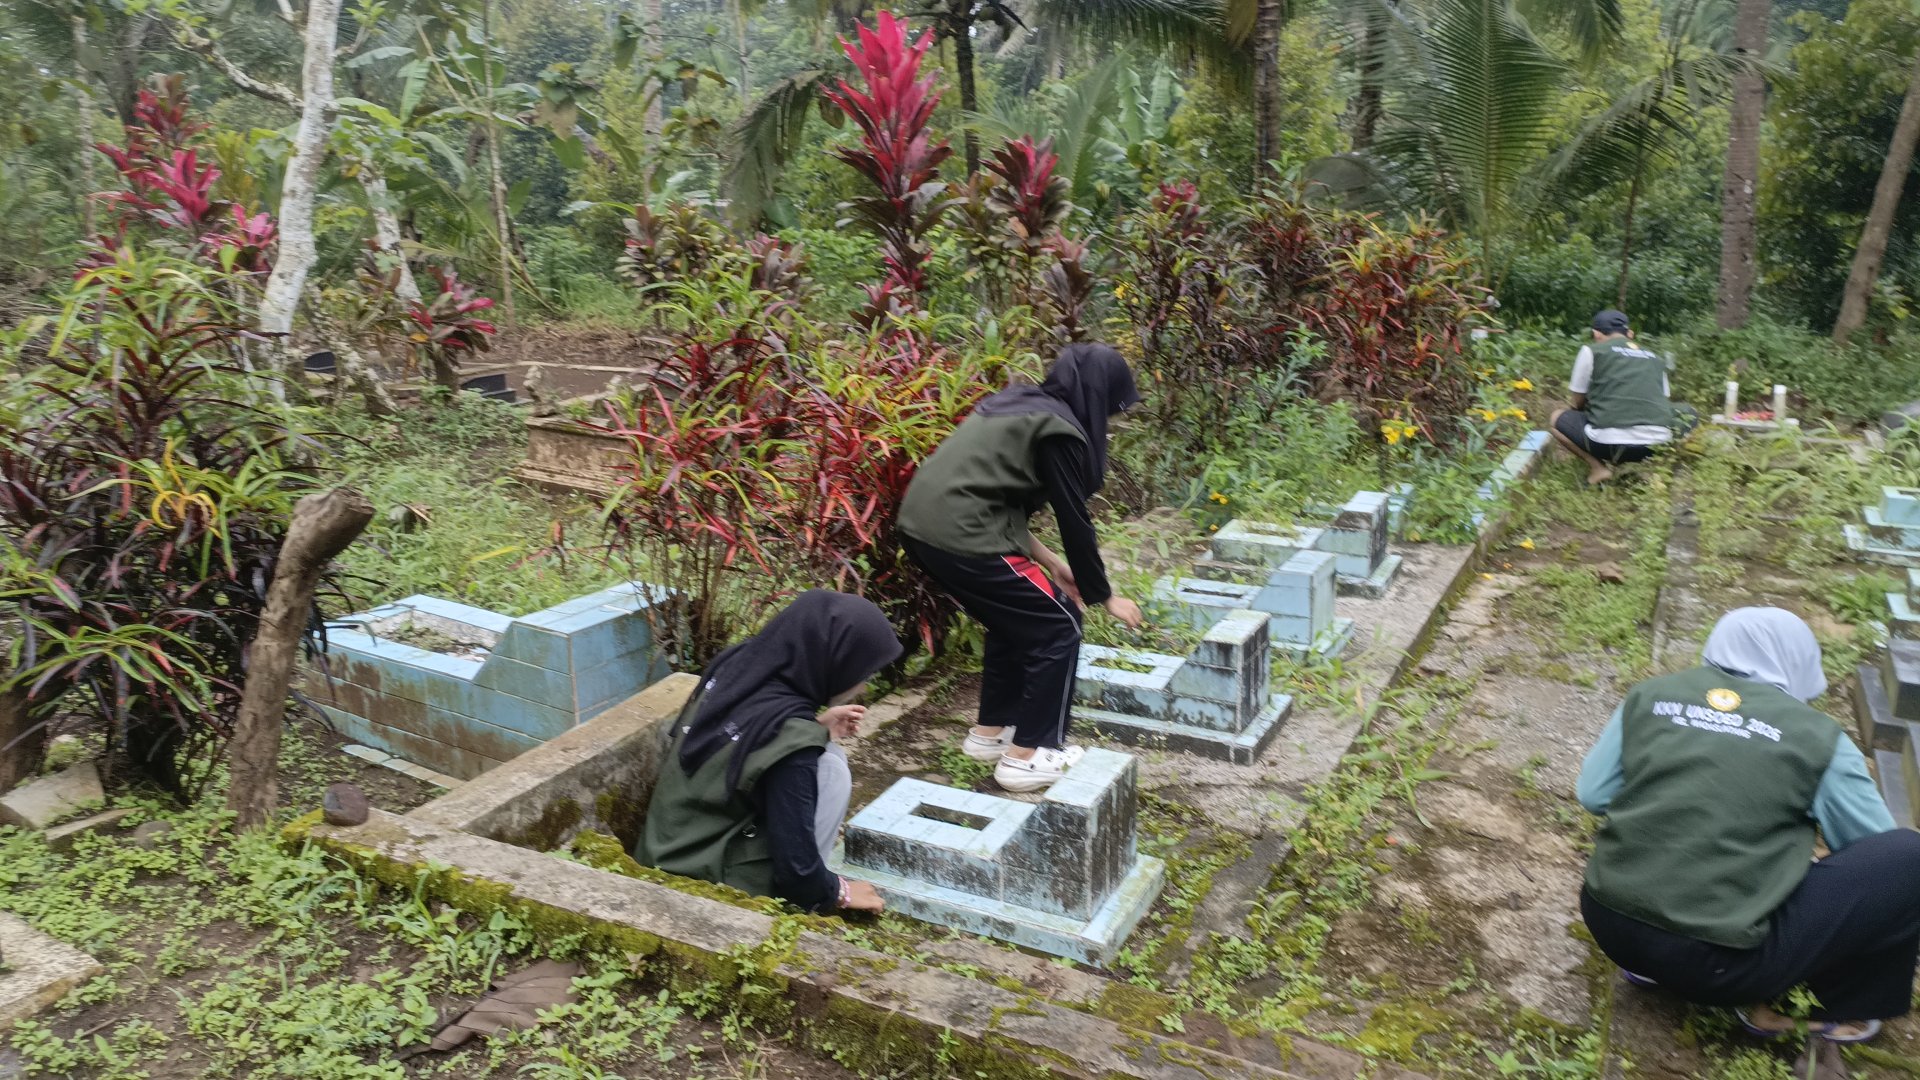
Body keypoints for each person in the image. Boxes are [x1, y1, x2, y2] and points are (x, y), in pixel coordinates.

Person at [1577, 607, 1920, 1044]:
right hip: (1719, 966)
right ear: (1799, 663)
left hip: (1609, 923)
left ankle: (1649, 966)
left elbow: (1593, 794)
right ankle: (1824, 1008)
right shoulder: (1820, 739)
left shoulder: (1650, 696)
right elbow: (1873, 848)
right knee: (1908, 861)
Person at [896, 343, 1146, 793]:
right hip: (961, 533)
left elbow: (995, 500)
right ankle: (1030, 755)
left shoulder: (1017, 404)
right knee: (1060, 624)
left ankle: (993, 734)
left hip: (925, 527)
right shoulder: (1058, 429)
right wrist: (1103, 594)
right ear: (1098, 396)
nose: (1110, 423)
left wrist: (1051, 564)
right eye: (1112, 411)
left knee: (1017, 621)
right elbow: (1075, 519)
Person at [635, 591, 900, 914]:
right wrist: (837, 893)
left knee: (827, 753)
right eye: (863, 674)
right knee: (831, 768)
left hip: (663, 851)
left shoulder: (737, 666)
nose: (862, 687)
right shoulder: (791, 740)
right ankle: (803, 911)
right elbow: (797, 874)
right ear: (835, 660)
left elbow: (750, 743)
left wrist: (814, 728)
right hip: (703, 883)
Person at [1549, 309, 1699, 487]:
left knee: (1555, 418)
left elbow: (1577, 401)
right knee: (1690, 413)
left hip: (1605, 444)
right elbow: (1663, 401)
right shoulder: (1655, 358)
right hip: (1655, 445)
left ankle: (1599, 469)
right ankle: (1660, 470)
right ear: (1630, 334)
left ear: (1596, 334)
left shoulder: (1592, 351)